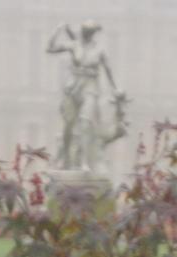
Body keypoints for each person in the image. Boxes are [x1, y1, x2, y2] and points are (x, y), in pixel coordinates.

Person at [46, 20, 125, 173]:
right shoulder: (74, 45)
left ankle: (84, 162)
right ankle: (66, 160)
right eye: (85, 31)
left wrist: (115, 88)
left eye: (89, 31)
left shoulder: (99, 50)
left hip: (91, 87)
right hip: (73, 87)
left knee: (85, 122)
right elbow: (50, 48)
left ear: (93, 33)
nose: (86, 33)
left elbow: (108, 69)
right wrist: (57, 30)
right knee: (68, 125)